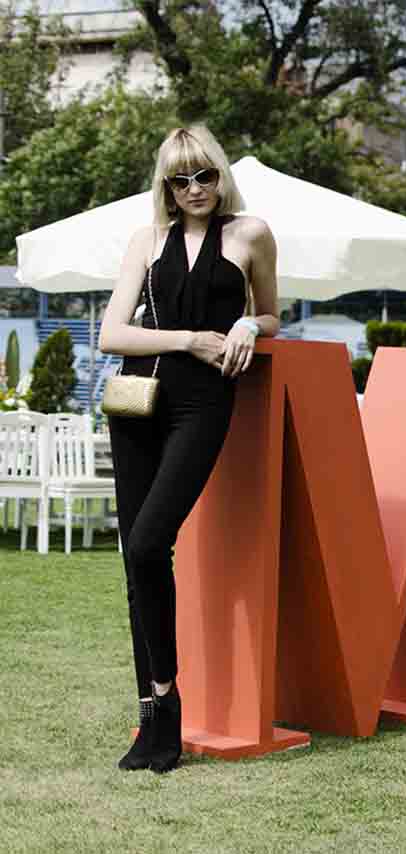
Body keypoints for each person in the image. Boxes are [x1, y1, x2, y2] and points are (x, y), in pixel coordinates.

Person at [99, 125, 280, 773]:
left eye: (204, 174)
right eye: (181, 179)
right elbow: (111, 334)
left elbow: (272, 314)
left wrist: (242, 323)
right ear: (166, 186)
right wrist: (189, 340)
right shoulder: (145, 242)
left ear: (220, 173)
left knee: (150, 542)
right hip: (140, 405)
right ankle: (153, 717)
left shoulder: (251, 234)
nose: (195, 188)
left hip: (204, 406)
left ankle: (168, 701)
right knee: (136, 560)